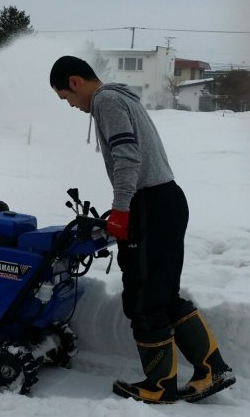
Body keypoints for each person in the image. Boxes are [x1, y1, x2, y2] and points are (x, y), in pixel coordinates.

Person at [49, 55, 236, 404]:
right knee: (162, 294)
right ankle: (212, 369)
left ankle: (159, 386)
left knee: (145, 298)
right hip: (164, 201)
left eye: (66, 97)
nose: (71, 106)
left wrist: (121, 211)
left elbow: (127, 157)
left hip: (149, 204)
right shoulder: (120, 99)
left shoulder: (106, 101)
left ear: (75, 82)